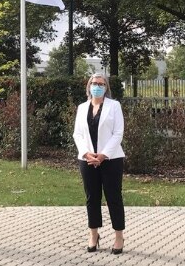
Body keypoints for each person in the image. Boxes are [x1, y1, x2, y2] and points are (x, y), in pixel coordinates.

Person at [73, 73, 125, 254]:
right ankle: (93, 234)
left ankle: (119, 236)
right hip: (87, 159)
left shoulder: (114, 106)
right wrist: (86, 153)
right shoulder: (82, 107)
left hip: (111, 160)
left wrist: (103, 155)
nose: (97, 86)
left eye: (101, 84)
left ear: (106, 88)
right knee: (91, 198)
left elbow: (118, 133)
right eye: (94, 83)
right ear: (89, 86)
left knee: (114, 198)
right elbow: (77, 134)